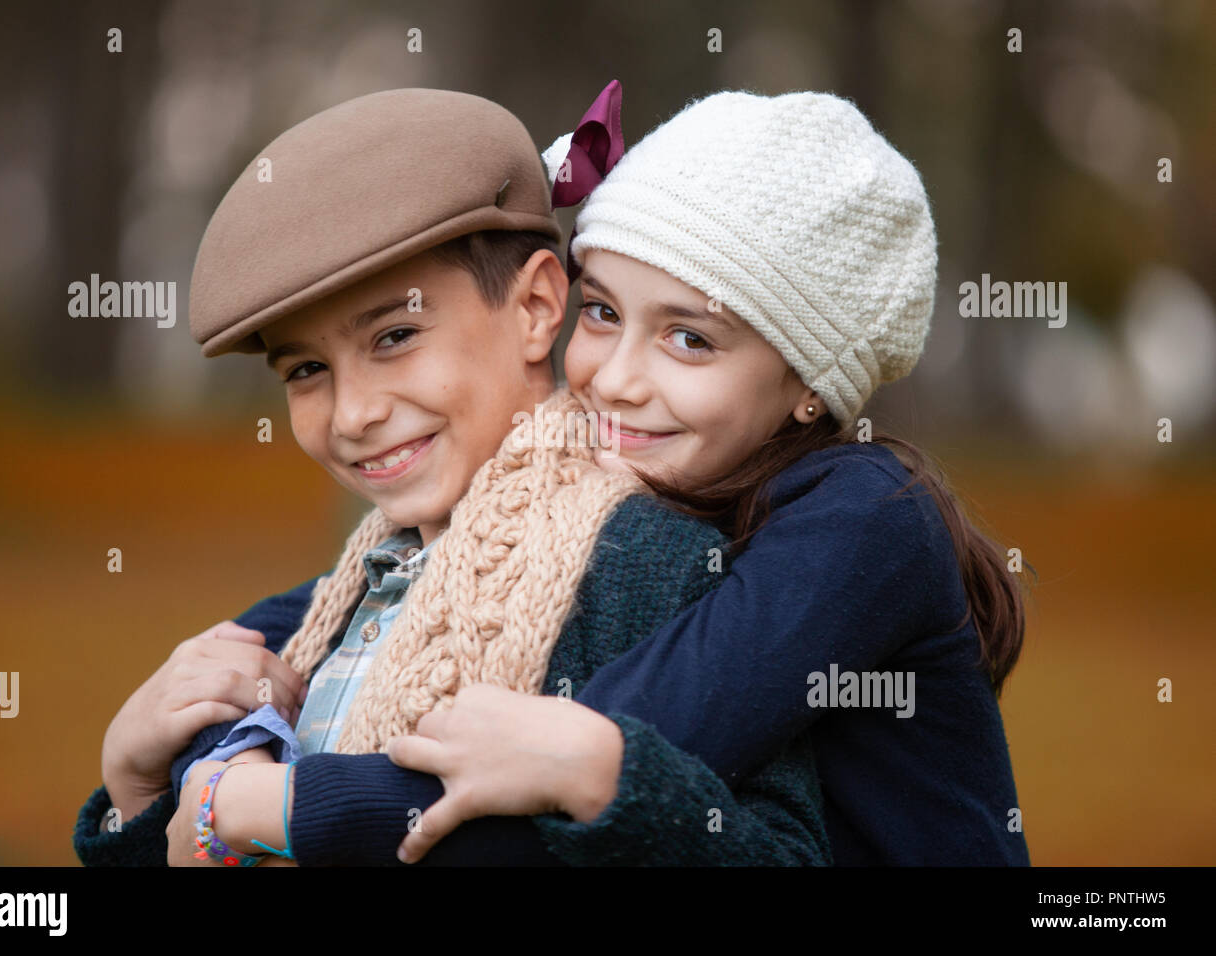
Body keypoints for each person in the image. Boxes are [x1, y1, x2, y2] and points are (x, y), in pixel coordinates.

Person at [73, 87, 830, 867]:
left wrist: (606, 783)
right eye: (306, 369)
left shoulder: (648, 566)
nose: (353, 413)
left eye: (395, 335)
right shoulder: (335, 607)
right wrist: (135, 792)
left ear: (537, 306)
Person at [386, 86, 1031, 866]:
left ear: (806, 389)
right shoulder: (621, 479)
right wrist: (247, 672)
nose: (616, 379)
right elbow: (394, 588)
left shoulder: (868, 519)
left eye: (689, 338)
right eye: (602, 313)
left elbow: (581, 748)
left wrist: (282, 805)